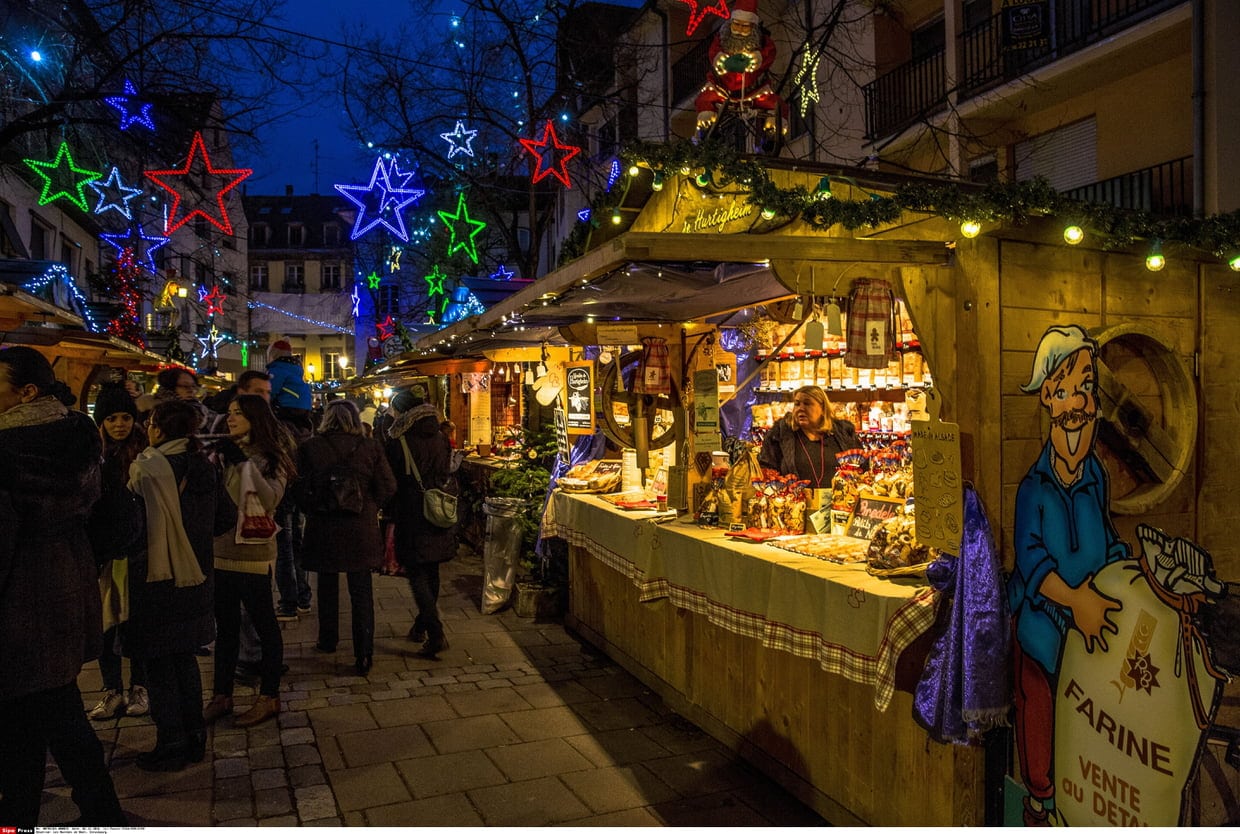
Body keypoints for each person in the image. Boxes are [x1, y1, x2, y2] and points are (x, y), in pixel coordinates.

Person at [0, 347, 126, 827]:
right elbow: (113, 525)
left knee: (28, 729)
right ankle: (97, 812)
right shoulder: (80, 442)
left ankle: (24, 819)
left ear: (26, 392)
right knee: (57, 716)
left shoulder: (9, 454)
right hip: (67, 593)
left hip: (17, 607)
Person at [1008, 325, 1128, 826]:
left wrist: (1128, 572)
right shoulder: (1033, 487)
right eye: (1068, 389)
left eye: (1087, 388)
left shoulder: (1095, 476)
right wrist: (1075, 601)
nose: (1081, 402)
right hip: (1044, 623)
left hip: (1089, 624)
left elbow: (1105, 535)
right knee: (1041, 706)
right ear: (1049, 400)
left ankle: (1082, 795)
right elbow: (1032, 562)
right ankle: (1042, 800)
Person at [126, 399, 216, 771]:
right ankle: (195, 736)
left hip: (156, 578)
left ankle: (170, 741)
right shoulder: (203, 465)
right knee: (184, 659)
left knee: (160, 663)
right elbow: (224, 516)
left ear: (159, 428)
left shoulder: (147, 469)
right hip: (196, 576)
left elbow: (129, 529)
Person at [203, 394, 296, 728]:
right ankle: (221, 695)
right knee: (225, 627)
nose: (231, 418)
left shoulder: (272, 457)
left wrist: (242, 463)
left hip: (254, 553)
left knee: (263, 623)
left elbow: (270, 498)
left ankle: (269, 696)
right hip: (221, 549)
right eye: (229, 413)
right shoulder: (222, 453)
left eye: (238, 413)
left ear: (256, 417)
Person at [295, 401, 397, 675]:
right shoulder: (370, 447)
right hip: (360, 528)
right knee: (361, 590)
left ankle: (328, 640)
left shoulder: (310, 448)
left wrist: (314, 507)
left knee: (326, 586)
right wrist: (368, 505)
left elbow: (298, 488)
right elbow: (388, 486)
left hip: (323, 526)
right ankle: (363, 653)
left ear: (327, 419)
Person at [86, 385, 150, 721]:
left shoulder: (143, 453)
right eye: (112, 418)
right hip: (105, 554)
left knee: (135, 622)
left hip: (137, 551)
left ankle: (139, 685)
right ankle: (112, 689)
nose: (120, 424)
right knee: (107, 624)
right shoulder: (93, 455)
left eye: (126, 417)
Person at [385, 401, 457, 659]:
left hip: (411, 512)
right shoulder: (441, 437)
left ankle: (435, 632)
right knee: (432, 569)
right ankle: (421, 625)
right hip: (436, 508)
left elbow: (390, 480)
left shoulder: (399, 440)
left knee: (416, 572)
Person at [265, 340, 314, 621]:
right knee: (296, 540)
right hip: (300, 484)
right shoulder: (300, 380)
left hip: (283, 484)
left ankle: (288, 601)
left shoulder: (273, 375)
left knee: (283, 542)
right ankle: (304, 596)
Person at [693, 0, 788, 137]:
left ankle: (773, 131)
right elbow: (713, 52)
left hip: (754, 92)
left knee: (777, 104)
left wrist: (758, 58)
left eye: (745, 27)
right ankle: (706, 127)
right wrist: (719, 59)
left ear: (753, 27)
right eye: (736, 25)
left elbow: (770, 52)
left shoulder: (762, 42)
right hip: (722, 89)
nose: (739, 30)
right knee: (704, 99)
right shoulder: (721, 39)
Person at [757, 385, 860, 488]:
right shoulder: (780, 436)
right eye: (797, 404)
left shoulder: (844, 434)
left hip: (839, 502)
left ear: (823, 409)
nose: (801, 408)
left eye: (807, 403)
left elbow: (861, 468)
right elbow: (767, 470)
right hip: (797, 502)